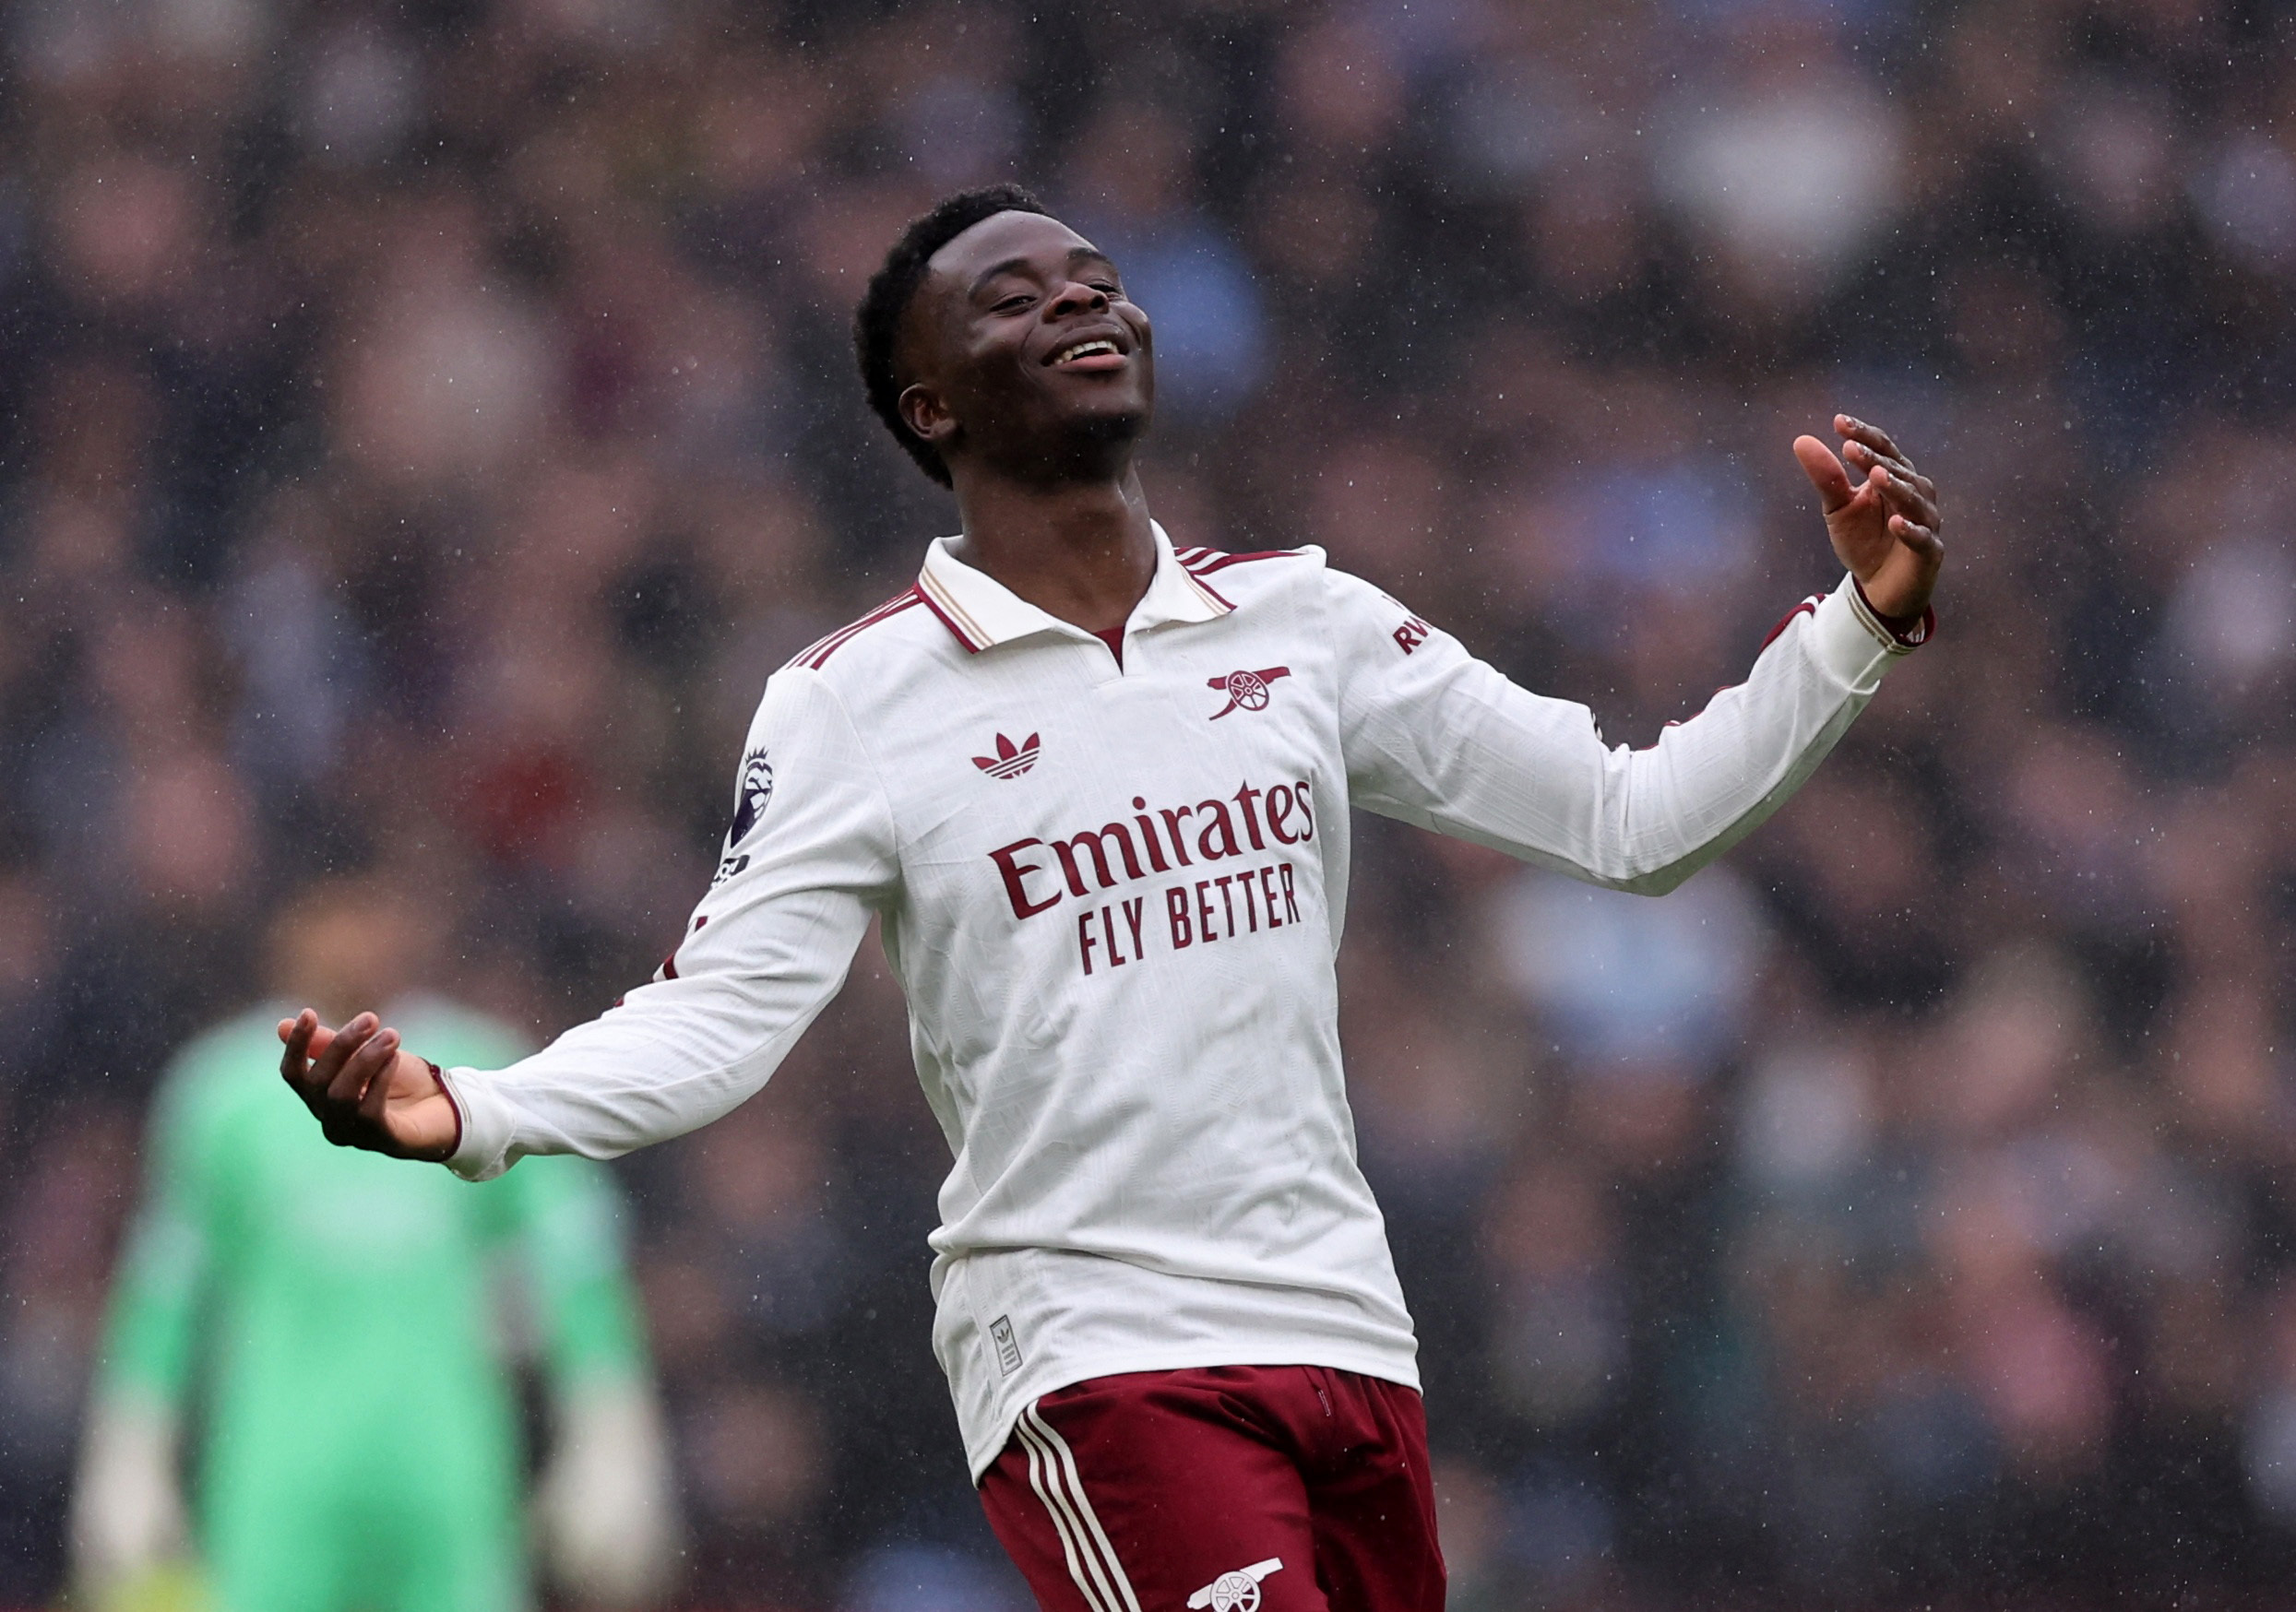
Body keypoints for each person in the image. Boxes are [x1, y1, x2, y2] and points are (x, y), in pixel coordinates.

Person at [278, 184, 1943, 1612]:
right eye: (1015, 296)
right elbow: (720, 1018)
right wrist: (479, 1112)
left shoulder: (1302, 623)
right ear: (930, 405)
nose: (1082, 299)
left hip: (1346, 1333)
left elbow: (1622, 816)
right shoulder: (853, 699)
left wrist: (1849, 630)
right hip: (1096, 1347)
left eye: (1096, 281)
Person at [81, 877, 677, 1612]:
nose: (354, 934)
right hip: (275, 1480)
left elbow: (576, 1264)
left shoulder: (486, 1072)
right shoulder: (222, 1093)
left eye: (373, 907)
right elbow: (167, 1290)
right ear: (287, 925)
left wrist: (612, 1432)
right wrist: (128, 1451)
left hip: (448, 1479)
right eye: (331, 908)